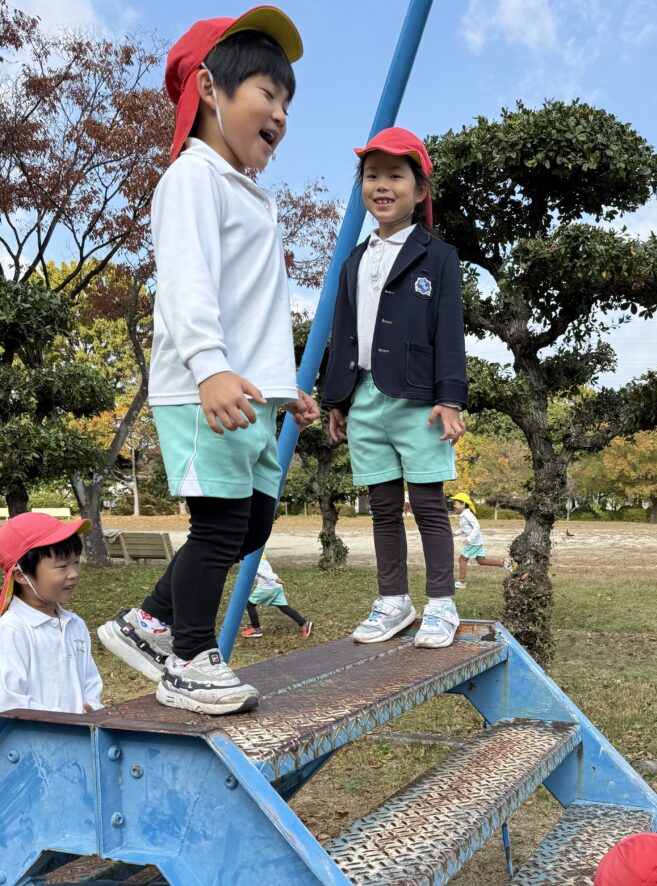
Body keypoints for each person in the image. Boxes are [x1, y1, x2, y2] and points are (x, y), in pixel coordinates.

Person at [97, 8, 318, 716]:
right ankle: (190, 658)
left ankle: (149, 621)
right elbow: (187, 284)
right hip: (206, 390)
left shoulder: (251, 196)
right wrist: (208, 367)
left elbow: (254, 309)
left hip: (249, 392)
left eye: (287, 104)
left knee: (252, 525)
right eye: (267, 93)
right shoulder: (192, 178)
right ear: (209, 89)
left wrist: (284, 389)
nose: (280, 114)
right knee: (220, 526)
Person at [323, 127, 467, 649]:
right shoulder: (353, 260)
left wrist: (450, 398)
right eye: (371, 176)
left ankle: (441, 604)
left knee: (427, 505)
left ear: (419, 189)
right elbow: (343, 332)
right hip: (364, 397)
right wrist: (337, 400)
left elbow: (449, 331)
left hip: (420, 401)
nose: (381, 186)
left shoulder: (438, 255)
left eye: (395, 176)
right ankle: (393, 601)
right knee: (382, 507)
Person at [0, 512, 111, 886]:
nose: (72, 573)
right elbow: (10, 706)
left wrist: (92, 714)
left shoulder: (75, 625)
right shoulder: (11, 632)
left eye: (75, 562)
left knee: (71, 844)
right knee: (26, 859)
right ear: (21, 573)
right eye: (59, 565)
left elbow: (90, 688)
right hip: (27, 766)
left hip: (74, 757)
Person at [240, 554, 313, 638]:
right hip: (276, 587)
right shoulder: (260, 556)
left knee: (250, 605)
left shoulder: (255, 559)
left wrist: (274, 578)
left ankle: (256, 628)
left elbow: (261, 571)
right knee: (284, 607)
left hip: (267, 588)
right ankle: (304, 624)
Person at [450, 492, 507, 588]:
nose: (454, 505)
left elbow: (477, 526)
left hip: (473, 542)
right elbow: (464, 529)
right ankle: (504, 563)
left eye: (455, 503)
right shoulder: (464, 515)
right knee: (481, 561)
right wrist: (454, 534)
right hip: (476, 541)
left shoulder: (467, 514)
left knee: (462, 560)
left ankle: (461, 583)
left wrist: (469, 539)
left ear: (463, 504)